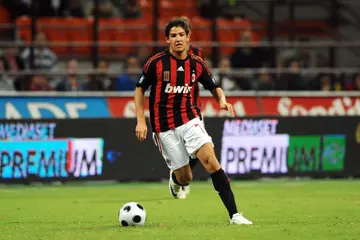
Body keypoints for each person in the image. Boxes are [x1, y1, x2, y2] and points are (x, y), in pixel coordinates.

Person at [134, 17, 252, 225]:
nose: (178, 39)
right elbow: (140, 90)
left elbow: (213, 86)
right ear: (167, 40)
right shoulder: (156, 63)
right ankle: (175, 179)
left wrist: (222, 101)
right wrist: (141, 122)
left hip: (190, 119)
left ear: (188, 37)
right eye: (173, 36)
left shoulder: (197, 64)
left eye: (181, 35)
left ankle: (235, 215)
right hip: (164, 127)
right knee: (186, 177)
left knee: (210, 160)